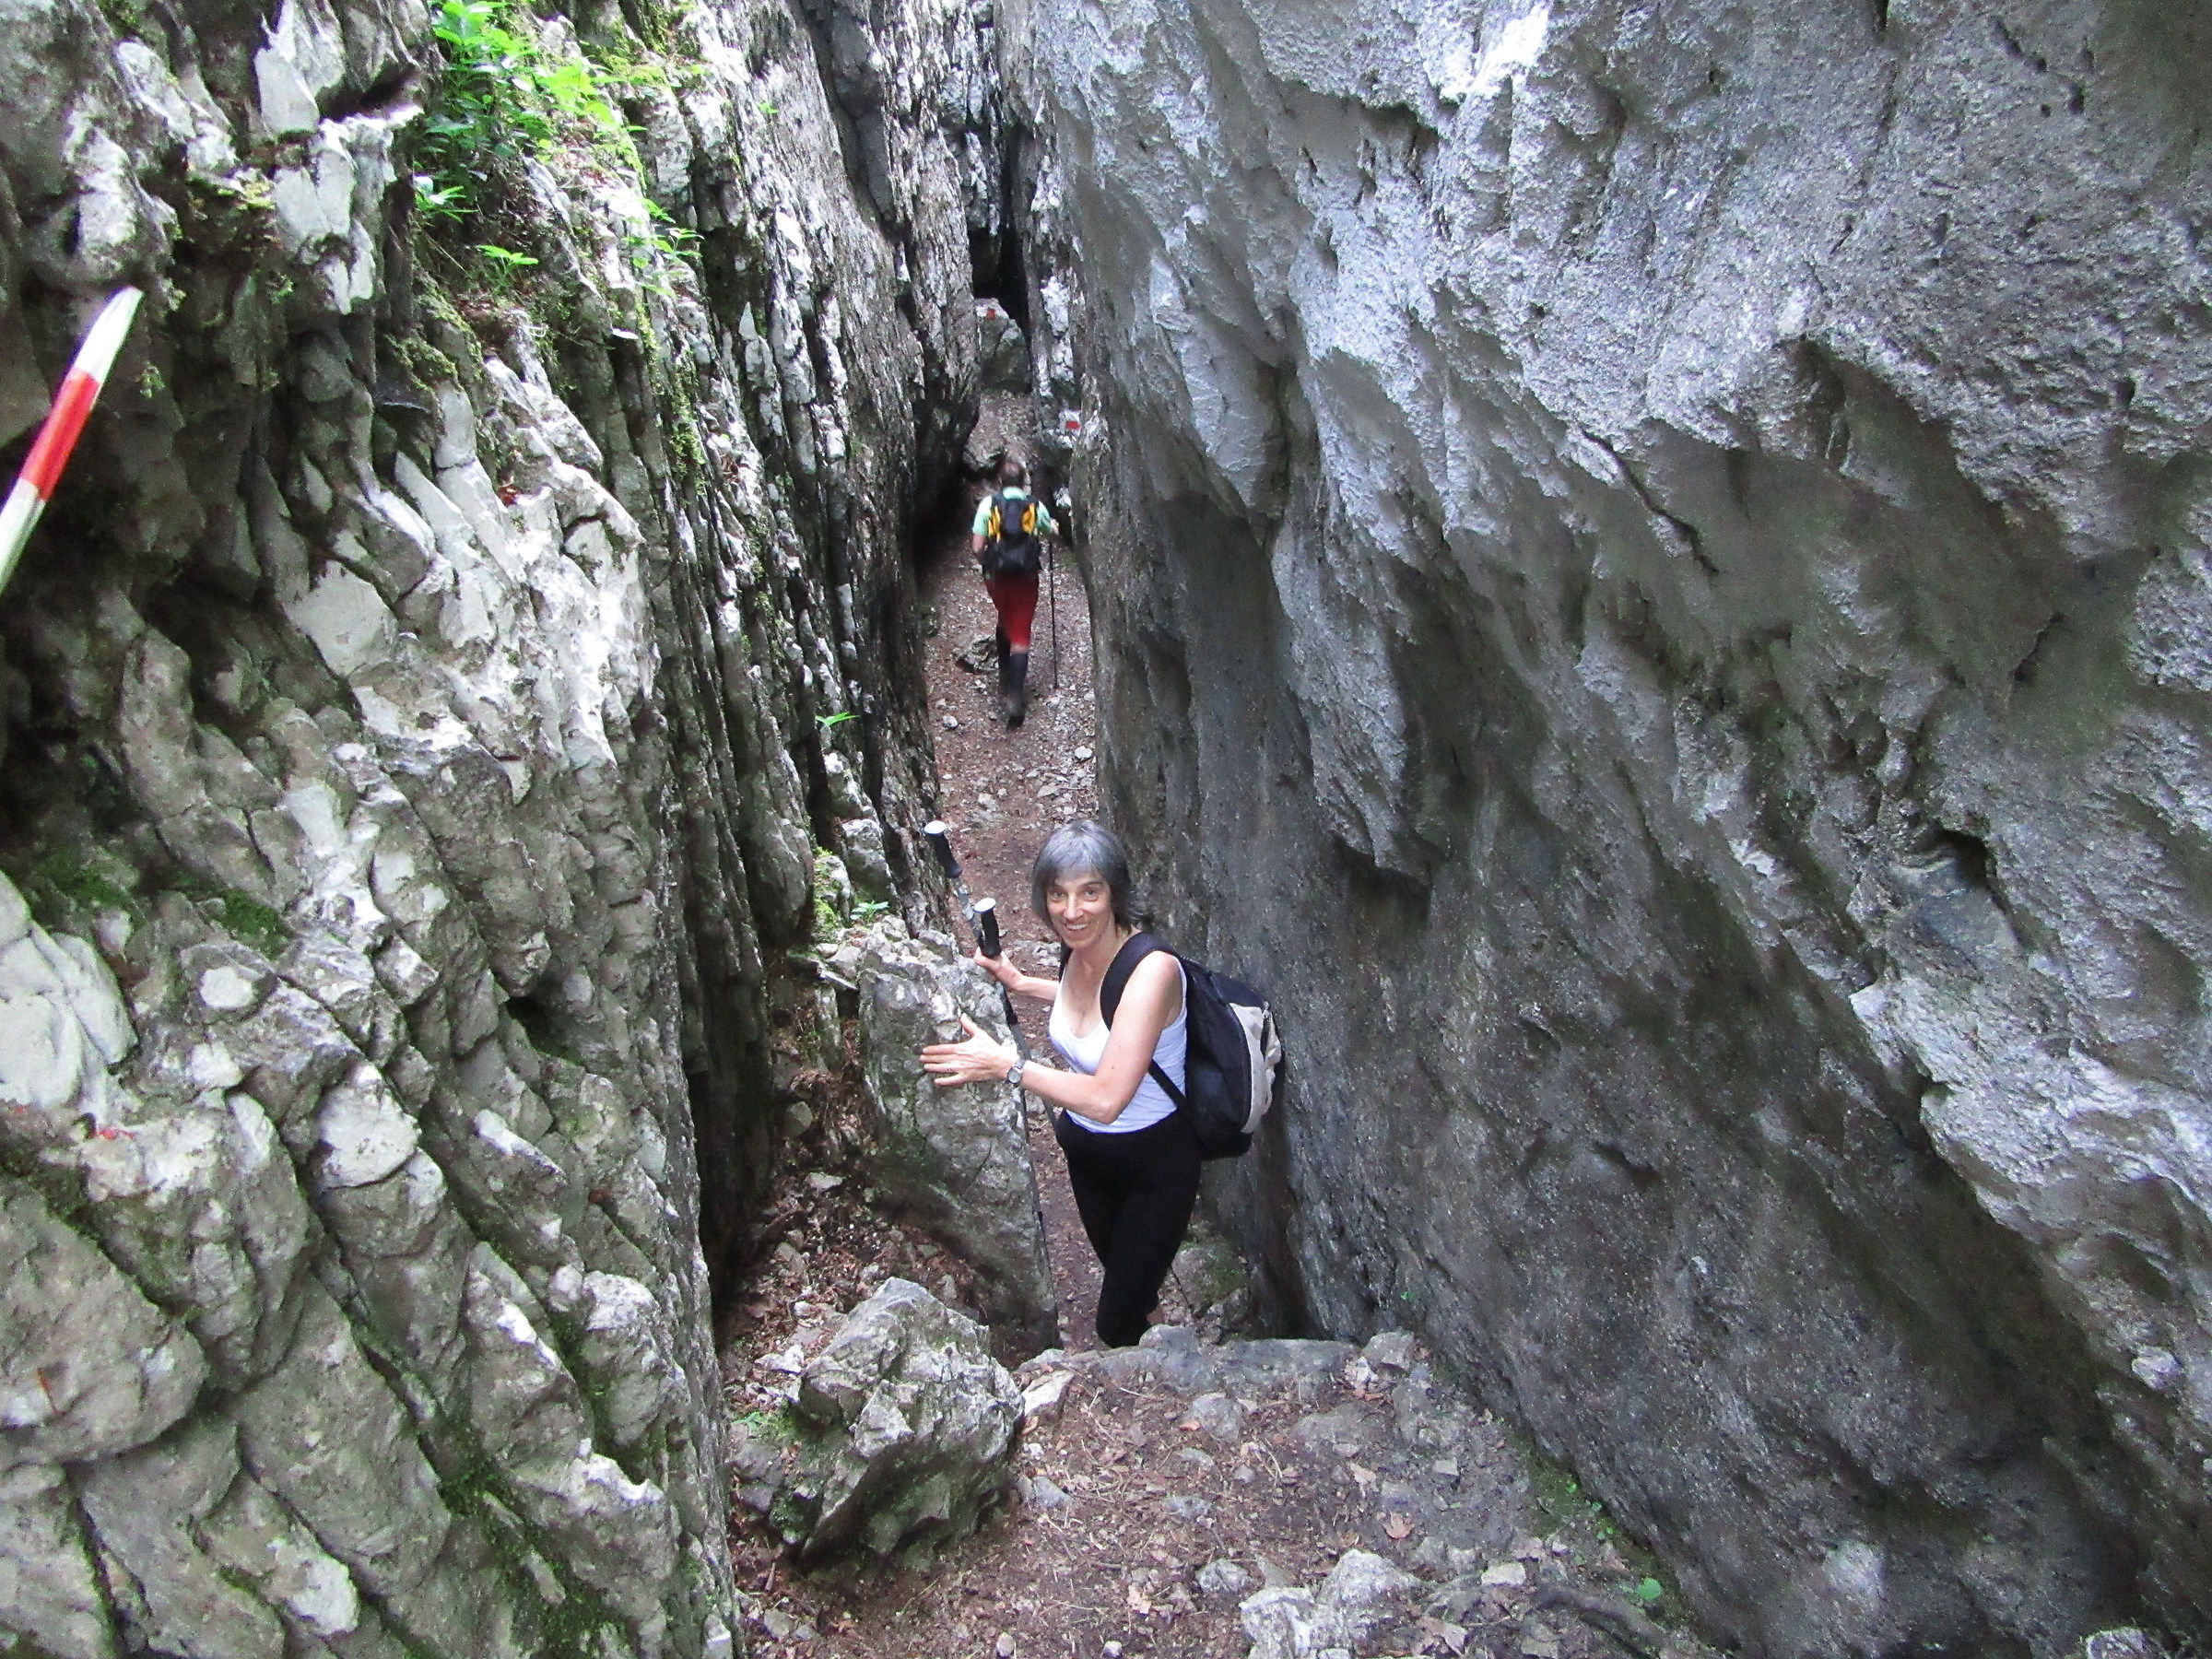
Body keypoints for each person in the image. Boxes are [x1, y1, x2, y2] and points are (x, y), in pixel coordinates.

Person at [920, 820, 1198, 1347]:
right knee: (1123, 1270)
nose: (1072, 912)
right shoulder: (1081, 947)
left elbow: (1108, 1098)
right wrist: (1024, 984)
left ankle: (1143, 1360)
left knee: (1114, 1323)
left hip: (1152, 1162)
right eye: (1058, 895)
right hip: (1087, 1153)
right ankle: (1149, 1320)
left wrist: (1006, 1066)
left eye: (1089, 892)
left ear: (1115, 893)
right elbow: (1092, 1007)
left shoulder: (1153, 971)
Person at [971, 457, 1057, 728]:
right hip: (1025, 579)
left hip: (996, 578)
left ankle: (1005, 675)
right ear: (1023, 482)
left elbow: (976, 548)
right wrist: (1053, 528)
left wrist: (989, 565)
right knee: (1020, 634)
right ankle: (1015, 696)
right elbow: (1049, 533)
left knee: (1003, 617)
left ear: (1000, 482)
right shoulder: (1035, 506)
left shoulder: (988, 505)